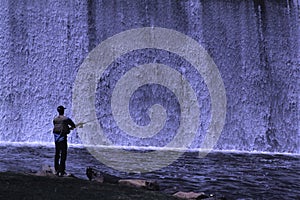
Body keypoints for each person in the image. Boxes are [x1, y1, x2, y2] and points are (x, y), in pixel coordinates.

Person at [52, 105, 76, 176]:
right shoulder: (66, 119)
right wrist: (69, 128)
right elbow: (73, 125)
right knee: (63, 154)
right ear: (63, 111)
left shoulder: (55, 119)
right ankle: (61, 170)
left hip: (56, 140)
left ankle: (56, 169)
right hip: (63, 139)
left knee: (57, 154)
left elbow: (57, 126)